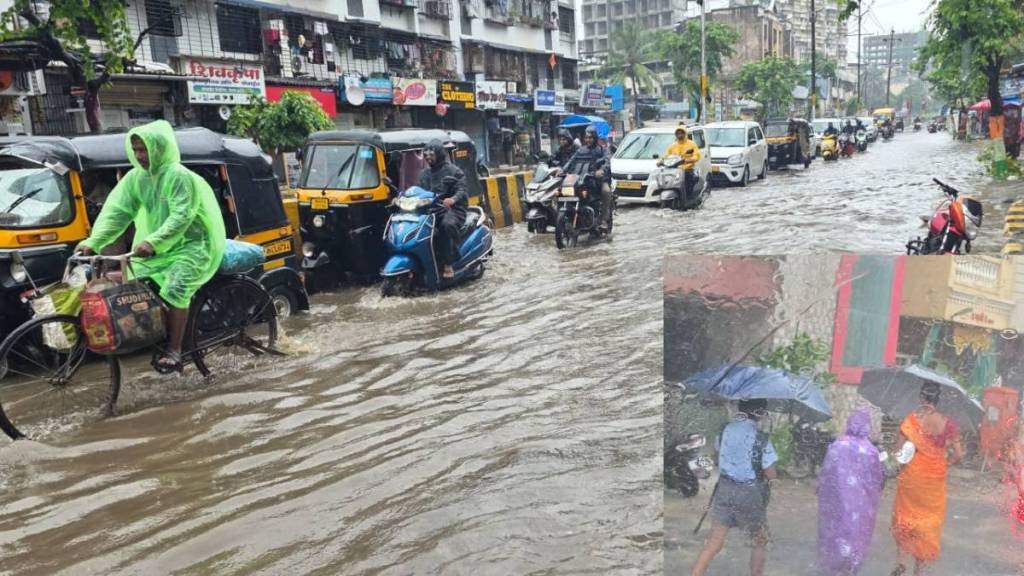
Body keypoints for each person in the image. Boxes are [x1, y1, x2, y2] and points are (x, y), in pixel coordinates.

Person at [76, 120, 226, 371]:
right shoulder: (136, 179)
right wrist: (93, 242)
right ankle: (153, 331)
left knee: (177, 286)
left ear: (159, 148)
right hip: (160, 248)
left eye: (144, 149)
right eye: (135, 150)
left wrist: (154, 241)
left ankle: (175, 349)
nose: (139, 156)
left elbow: (182, 216)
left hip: (194, 245)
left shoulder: (178, 176)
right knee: (133, 280)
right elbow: (117, 213)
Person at [692, 399, 777, 576]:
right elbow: (770, 472)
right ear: (760, 413)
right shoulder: (761, 438)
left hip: (724, 489)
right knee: (759, 541)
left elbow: (715, 458)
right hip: (749, 493)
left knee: (714, 542)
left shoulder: (725, 431)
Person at [890, 382, 964, 576]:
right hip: (934, 480)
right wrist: (944, 462)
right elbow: (958, 455)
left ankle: (901, 562)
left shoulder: (911, 420)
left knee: (905, 518)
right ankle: (919, 571)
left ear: (922, 398)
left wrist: (907, 455)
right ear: (937, 400)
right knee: (928, 523)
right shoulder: (948, 423)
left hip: (911, 477)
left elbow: (898, 453)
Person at [817, 409, 883, 576]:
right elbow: (877, 480)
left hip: (837, 500)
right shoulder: (871, 451)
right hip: (861, 504)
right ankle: (850, 567)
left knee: (835, 530)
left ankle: (835, 567)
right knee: (856, 532)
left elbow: (826, 472)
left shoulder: (838, 445)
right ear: (867, 426)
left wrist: (821, 488)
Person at [419, 139, 468, 280]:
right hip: (432, 208)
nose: (428, 158)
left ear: (439, 154)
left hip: (453, 209)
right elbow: (418, 190)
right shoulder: (424, 174)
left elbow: (462, 188)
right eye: (426, 155)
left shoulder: (453, 170)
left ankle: (449, 262)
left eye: (431, 155)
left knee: (447, 225)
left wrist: (452, 199)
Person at [564, 125, 612, 231]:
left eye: (590, 137)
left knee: (606, 191)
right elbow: (571, 161)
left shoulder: (603, 149)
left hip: (598, 179)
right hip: (582, 179)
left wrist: (601, 170)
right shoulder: (581, 150)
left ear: (595, 138)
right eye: (586, 138)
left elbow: (607, 161)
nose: (588, 140)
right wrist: (562, 170)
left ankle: (603, 219)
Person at [661, 125, 702, 197]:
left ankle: (690, 198)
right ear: (676, 135)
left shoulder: (691, 144)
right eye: (678, 133)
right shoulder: (672, 146)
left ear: (685, 133)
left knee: (688, 185)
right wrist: (660, 161)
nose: (680, 135)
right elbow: (666, 155)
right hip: (675, 170)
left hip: (687, 169)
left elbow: (697, 155)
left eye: (681, 133)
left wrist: (688, 160)